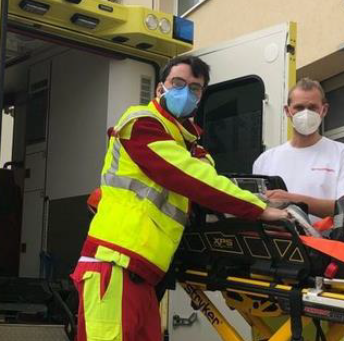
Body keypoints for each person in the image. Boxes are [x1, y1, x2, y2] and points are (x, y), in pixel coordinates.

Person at [72, 56, 287, 341]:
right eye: (178, 83)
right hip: (116, 262)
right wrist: (257, 208)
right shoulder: (141, 124)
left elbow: (206, 177)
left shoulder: (187, 143)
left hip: (143, 272)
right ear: (160, 88)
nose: (186, 92)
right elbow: (190, 178)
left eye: (195, 88)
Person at [253, 78, 344, 219]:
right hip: (279, 239)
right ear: (287, 111)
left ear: (324, 110)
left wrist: (290, 199)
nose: (305, 113)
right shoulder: (265, 160)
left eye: (312, 107)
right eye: (299, 108)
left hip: (324, 239)